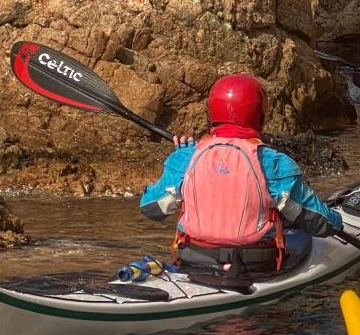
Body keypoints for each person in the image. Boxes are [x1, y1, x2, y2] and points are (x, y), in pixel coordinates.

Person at [139, 73, 344, 276]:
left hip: (194, 259)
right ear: (260, 118)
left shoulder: (184, 158)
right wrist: (337, 221)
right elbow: (321, 224)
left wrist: (177, 163)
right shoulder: (274, 163)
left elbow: (151, 209)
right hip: (255, 265)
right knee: (296, 229)